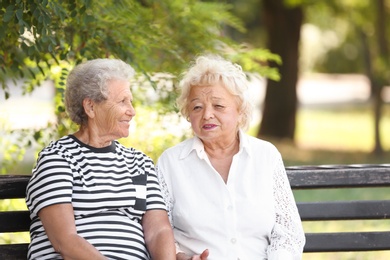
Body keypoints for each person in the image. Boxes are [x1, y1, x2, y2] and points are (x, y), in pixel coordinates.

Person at [156, 54, 306, 260]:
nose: (207, 114)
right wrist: (180, 257)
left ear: (240, 111)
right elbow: (159, 230)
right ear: (188, 113)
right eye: (197, 107)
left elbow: (288, 234)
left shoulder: (266, 155)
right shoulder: (171, 162)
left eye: (218, 106)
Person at [25, 58, 176, 260]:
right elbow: (65, 241)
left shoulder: (139, 163)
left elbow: (158, 230)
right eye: (122, 101)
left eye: (130, 101)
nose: (132, 111)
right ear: (90, 107)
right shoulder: (58, 159)